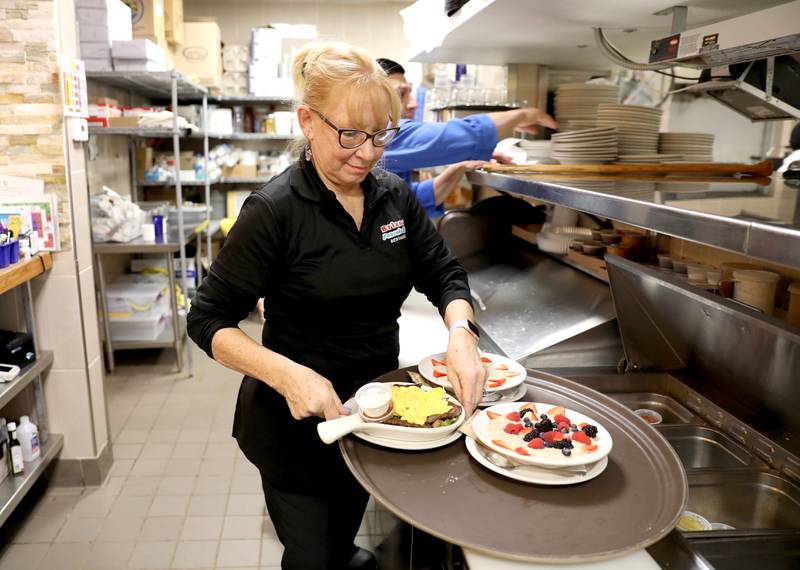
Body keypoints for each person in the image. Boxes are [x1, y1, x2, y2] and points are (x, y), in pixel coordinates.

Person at [187, 41, 486, 570]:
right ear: (307, 120)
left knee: (342, 533)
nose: (367, 153)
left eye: (379, 135)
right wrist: (288, 375)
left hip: (374, 415)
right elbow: (207, 319)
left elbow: (444, 272)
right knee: (311, 557)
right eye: (350, 134)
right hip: (295, 425)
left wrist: (461, 334)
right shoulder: (275, 210)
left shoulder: (393, 195)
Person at [376, 58, 557, 217]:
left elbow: (409, 201)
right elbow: (460, 137)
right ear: (373, 99)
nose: (414, 103)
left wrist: (459, 168)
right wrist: (524, 115)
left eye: (410, 92)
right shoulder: (380, 136)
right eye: (401, 94)